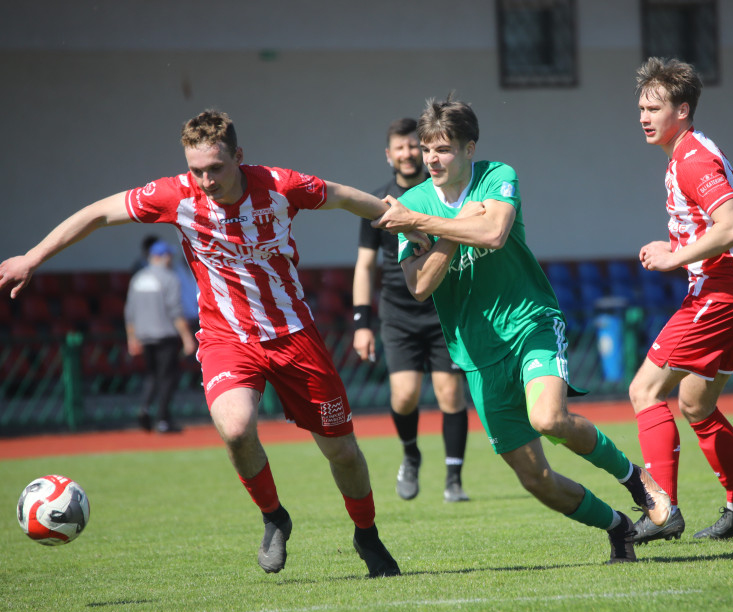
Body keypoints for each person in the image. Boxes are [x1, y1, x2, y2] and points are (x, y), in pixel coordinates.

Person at [0, 109, 402, 577]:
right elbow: (97, 213)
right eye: (197, 170)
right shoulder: (174, 195)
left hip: (294, 335)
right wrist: (33, 256)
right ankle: (274, 517)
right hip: (226, 338)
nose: (206, 180)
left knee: (343, 453)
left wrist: (400, 216)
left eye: (216, 168)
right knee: (235, 427)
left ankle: (367, 535)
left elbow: (343, 197)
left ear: (239, 158)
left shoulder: (279, 185)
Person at [374, 94, 671, 564]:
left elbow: (493, 232)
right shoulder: (411, 203)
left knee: (548, 418)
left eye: (444, 148)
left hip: (529, 320)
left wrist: (427, 226)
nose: (432, 158)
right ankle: (618, 527)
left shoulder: (497, 176)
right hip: (476, 351)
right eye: (427, 148)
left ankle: (636, 479)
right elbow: (420, 286)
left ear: (469, 148)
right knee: (537, 480)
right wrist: (450, 228)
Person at [627, 57, 733, 544]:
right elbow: (717, 228)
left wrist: (673, 259)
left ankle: (662, 509)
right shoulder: (685, 154)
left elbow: (731, 228)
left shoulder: (692, 159)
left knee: (645, 390)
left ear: (682, 110)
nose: (645, 116)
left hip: (727, 290)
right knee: (695, 401)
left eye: (655, 107)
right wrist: (676, 251)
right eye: (641, 107)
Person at [353, 118, 470, 503]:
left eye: (413, 147)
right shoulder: (376, 202)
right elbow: (364, 267)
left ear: (423, 151)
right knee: (403, 396)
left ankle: (454, 478)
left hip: (441, 311)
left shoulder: (438, 194)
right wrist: (362, 323)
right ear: (389, 155)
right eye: (399, 148)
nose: (407, 154)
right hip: (399, 314)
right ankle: (411, 454)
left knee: (449, 394)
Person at [124, 239, 198, 433]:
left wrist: (132, 338)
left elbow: (129, 312)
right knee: (168, 378)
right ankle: (162, 419)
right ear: (160, 257)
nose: (170, 259)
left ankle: (145, 408)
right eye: (168, 255)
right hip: (166, 335)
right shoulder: (169, 278)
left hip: (144, 335)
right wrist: (187, 338)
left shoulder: (138, 278)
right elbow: (175, 311)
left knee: (152, 376)